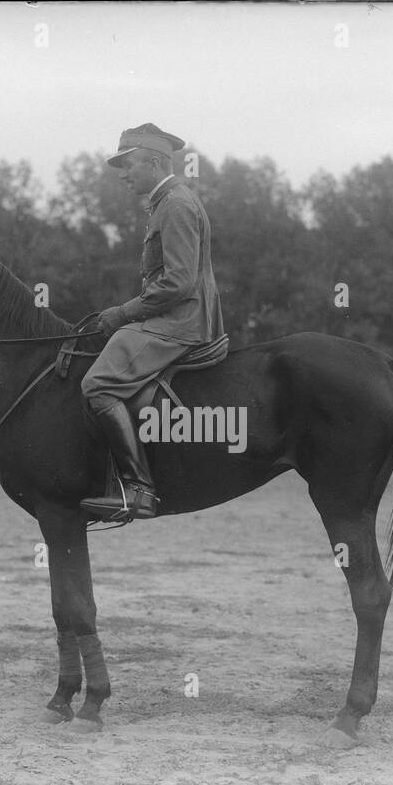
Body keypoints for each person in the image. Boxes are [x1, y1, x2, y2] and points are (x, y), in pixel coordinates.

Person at [80, 123, 225, 522]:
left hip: (181, 322)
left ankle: (139, 490)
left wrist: (122, 313)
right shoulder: (167, 202)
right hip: (172, 316)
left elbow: (179, 281)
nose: (123, 174)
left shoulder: (176, 205)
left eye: (128, 165)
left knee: (97, 383)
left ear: (156, 162)